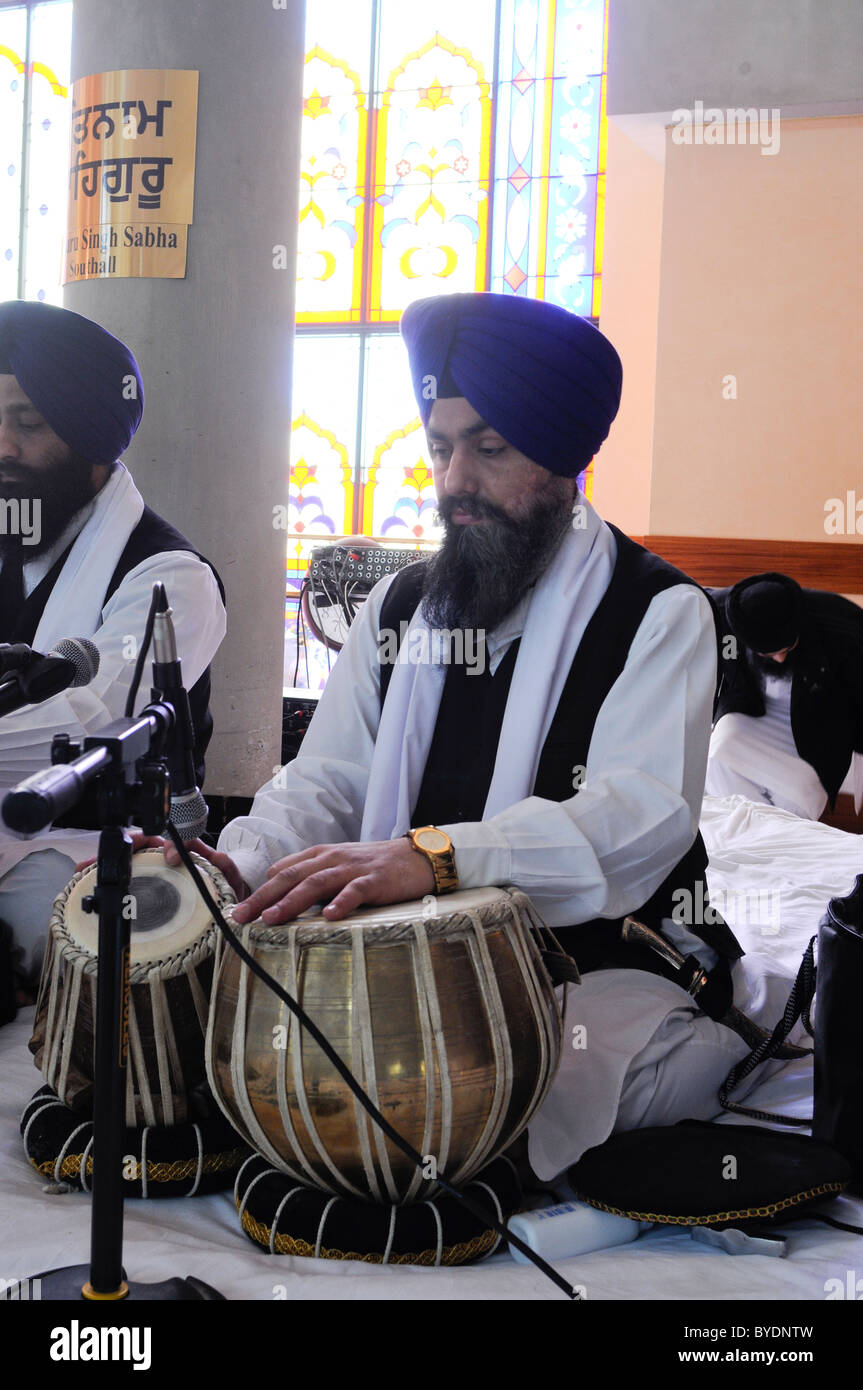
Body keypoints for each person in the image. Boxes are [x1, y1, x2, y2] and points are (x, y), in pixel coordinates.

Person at [168, 291, 763, 1183]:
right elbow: (327, 778)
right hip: (399, 945)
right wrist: (243, 861)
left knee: (527, 1089)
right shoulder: (400, 605)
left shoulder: (655, 610)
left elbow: (635, 823)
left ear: (562, 458)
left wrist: (437, 858)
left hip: (596, 955)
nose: (453, 482)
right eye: (441, 447)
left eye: (489, 449)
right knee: (242, 1050)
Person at [0, 300, 226, 996]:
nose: (2, 445)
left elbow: (84, 722)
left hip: (99, 858)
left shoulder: (169, 578)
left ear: (91, 435)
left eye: (28, 423)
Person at [706, 572, 863, 820]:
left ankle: (769, 843)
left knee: (795, 802)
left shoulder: (840, 624)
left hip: (817, 729)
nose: (780, 658)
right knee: (717, 762)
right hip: (749, 712)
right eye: (768, 654)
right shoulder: (720, 613)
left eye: (786, 648)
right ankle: (753, 842)